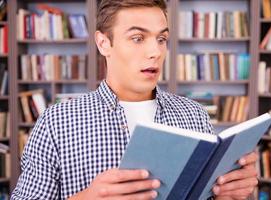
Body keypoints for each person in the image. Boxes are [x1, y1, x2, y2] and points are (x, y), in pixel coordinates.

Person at [11, 0, 258, 199]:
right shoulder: (57, 121)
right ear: (103, 43)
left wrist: (231, 193)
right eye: (138, 38)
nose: (155, 52)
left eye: (161, 39)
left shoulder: (195, 114)